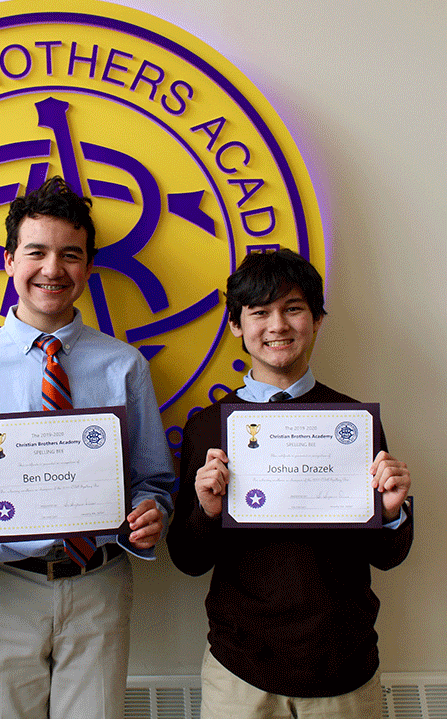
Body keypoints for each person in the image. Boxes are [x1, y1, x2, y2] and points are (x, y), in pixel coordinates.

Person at [0, 176, 174, 719]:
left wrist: (152, 512)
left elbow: (154, 482)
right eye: (36, 252)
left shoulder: (124, 367)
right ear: (8, 261)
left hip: (98, 586)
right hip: (1, 591)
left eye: (70, 255)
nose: (52, 270)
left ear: (88, 266)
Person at [166, 248, 413, 719]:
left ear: (317, 319)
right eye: (259, 312)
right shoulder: (207, 428)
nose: (277, 326)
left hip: (343, 662)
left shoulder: (354, 423)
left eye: (293, 308)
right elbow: (188, 561)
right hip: (239, 668)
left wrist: (392, 512)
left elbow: (388, 555)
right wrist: (207, 512)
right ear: (236, 325)